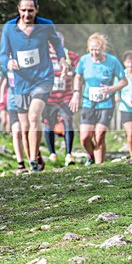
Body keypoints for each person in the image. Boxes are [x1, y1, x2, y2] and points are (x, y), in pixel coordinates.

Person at [0, 0, 68, 172]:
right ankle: (35, 156)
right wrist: (8, 63)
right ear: (18, 10)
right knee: (25, 125)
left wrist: (62, 60)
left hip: (43, 78)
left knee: (34, 115)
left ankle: (32, 163)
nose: (27, 14)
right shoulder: (9, 28)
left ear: (37, 9)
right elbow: (3, 54)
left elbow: (57, 44)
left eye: (30, 10)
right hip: (21, 82)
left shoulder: (45, 25)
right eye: (23, 10)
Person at [69, 33, 126, 165]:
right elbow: (78, 77)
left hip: (106, 103)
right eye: (91, 50)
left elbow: (124, 81)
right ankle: (91, 156)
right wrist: (76, 92)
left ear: (103, 49)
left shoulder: (112, 61)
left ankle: (99, 168)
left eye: (97, 50)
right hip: (88, 102)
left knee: (99, 136)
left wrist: (111, 89)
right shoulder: (84, 60)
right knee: (85, 138)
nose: (94, 53)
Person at [43, 32, 80, 166]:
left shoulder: (70, 55)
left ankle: (69, 154)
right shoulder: (43, 55)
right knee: (49, 124)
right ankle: (52, 153)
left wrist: (70, 74)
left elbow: (80, 70)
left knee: (67, 122)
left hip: (65, 96)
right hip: (49, 97)